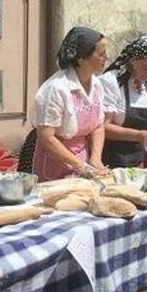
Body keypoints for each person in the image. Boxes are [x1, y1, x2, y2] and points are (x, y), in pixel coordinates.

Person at [32, 26, 109, 181]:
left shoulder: (97, 85)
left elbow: (98, 126)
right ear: (81, 58)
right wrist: (80, 165)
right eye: (101, 54)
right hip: (55, 163)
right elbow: (46, 138)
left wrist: (95, 158)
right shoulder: (56, 88)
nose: (106, 58)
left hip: (83, 159)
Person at [100, 35, 147, 168]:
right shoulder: (111, 82)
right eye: (146, 67)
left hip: (141, 159)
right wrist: (138, 135)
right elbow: (103, 127)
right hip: (111, 157)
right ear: (132, 62)